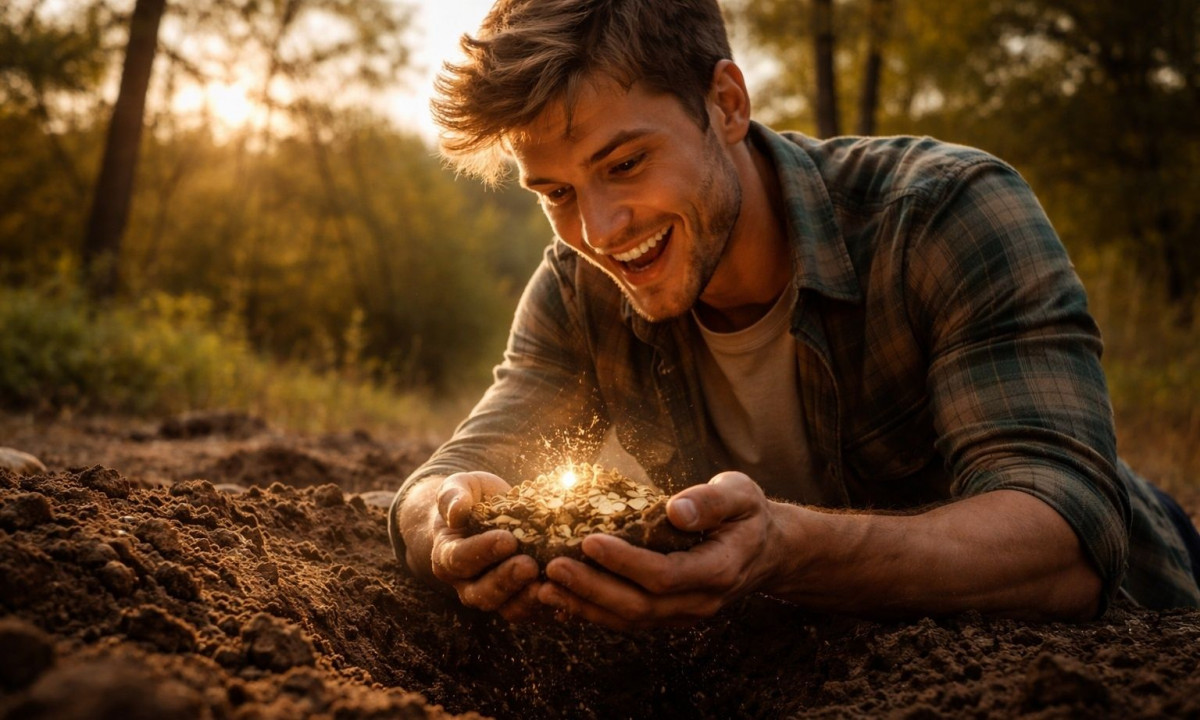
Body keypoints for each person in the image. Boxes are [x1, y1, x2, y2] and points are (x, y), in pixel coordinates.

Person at [389, 0, 1200, 629]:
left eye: (626, 164)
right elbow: (435, 487)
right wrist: (453, 527)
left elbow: (1067, 539)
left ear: (727, 103)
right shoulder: (578, 286)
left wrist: (784, 547)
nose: (599, 231)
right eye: (557, 195)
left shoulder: (945, 215)